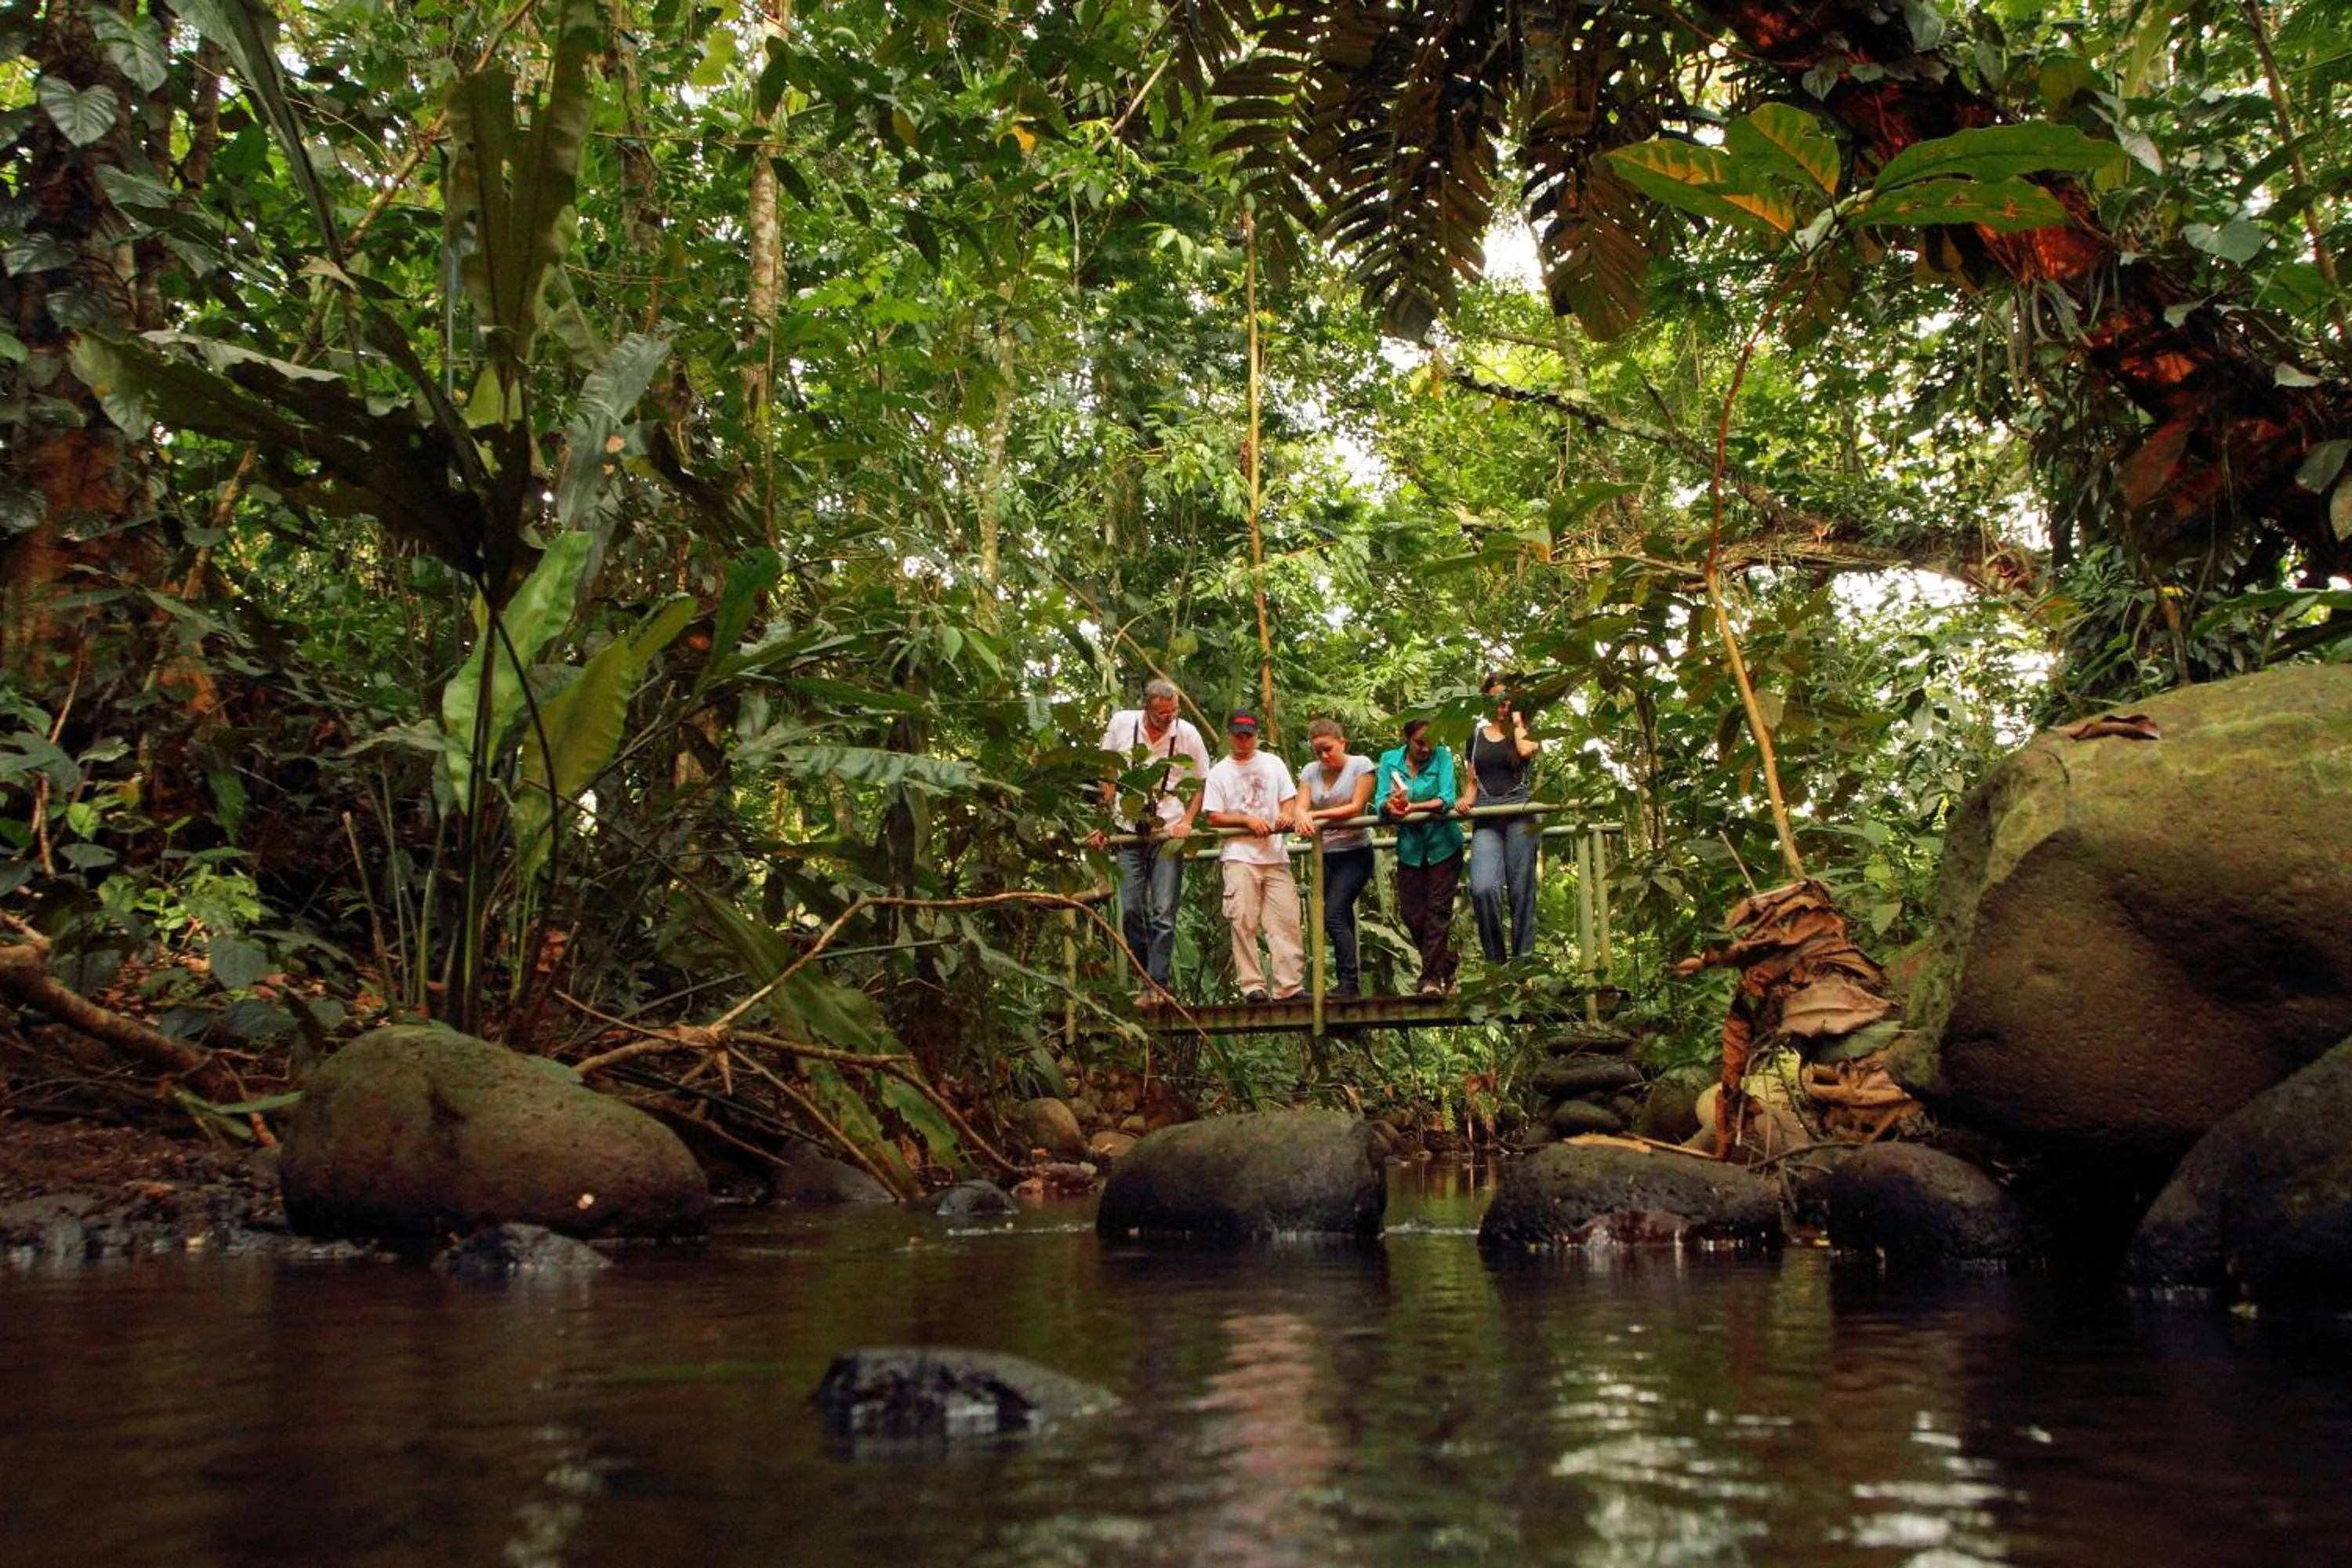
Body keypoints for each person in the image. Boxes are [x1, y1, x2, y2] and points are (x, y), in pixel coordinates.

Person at [1091, 677, 1211, 996]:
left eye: (1173, 711)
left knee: (1163, 912)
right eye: (1162, 714)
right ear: (1146, 708)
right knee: (1131, 910)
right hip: (1127, 827)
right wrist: (1103, 822)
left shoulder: (1186, 734)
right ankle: (1146, 978)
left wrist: (1187, 820)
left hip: (1166, 829)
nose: (1169, 718)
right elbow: (1107, 774)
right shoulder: (1122, 723)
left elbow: (1201, 781)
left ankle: (1158, 984)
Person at [1201, 711, 1314, 1003]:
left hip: (1275, 856)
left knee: (1286, 920)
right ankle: (1253, 986)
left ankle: (1289, 986)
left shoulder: (1273, 763)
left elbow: (1288, 800)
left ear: (1256, 736)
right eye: (1238, 734)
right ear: (1229, 736)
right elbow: (1212, 816)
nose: (1244, 740)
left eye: (1248, 735)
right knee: (1243, 921)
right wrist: (1247, 821)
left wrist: (1288, 816)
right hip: (1240, 856)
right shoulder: (1219, 772)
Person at [1375, 717, 1464, 995]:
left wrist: (1413, 807)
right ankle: (1446, 963)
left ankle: (1429, 980)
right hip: (1411, 848)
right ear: (1407, 739)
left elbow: (1447, 797)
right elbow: (1380, 802)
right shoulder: (1390, 760)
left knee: (1438, 910)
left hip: (1443, 845)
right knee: (1412, 914)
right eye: (1420, 743)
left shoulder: (1443, 758)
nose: (1426, 749)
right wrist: (1391, 807)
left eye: (1431, 743)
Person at [1461, 670, 1542, 963]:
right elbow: (1472, 781)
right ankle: (1495, 966)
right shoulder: (1475, 738)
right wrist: (1464, 802)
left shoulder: (1527, 731)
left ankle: (1524, 964)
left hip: (1520, 814)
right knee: (1483, 889)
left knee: (1521, 891)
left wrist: (1518, 720)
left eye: (1507, 699)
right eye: (1495, 700)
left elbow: (1525, 751)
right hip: (1487, 817)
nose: (1501, 705)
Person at [1296, 717, 1378, 996]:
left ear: (1342, 743)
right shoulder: (1310, 771)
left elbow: (1356, 808)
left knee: (1333, 916)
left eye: (1328, 749)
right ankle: (1348, 984)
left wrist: (1314, 816)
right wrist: (1301, 814)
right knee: (1340, 916)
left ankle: (1349, 982)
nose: (1323, 756)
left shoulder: (1361, 765)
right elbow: (1300, 806)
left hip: (1355, 852)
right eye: (1317, 751)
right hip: (1325, 855)